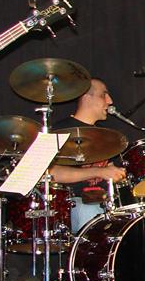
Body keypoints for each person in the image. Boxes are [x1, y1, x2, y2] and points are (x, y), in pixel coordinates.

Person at [49, 78, 128, 232]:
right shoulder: (60, 131)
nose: (110, 101)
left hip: (105, 203)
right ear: (86, 97)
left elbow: (110, 170)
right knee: (90, 211)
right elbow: (51, 173)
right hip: (72, 204)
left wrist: (118, 175)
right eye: (104, 95)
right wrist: (99, 172)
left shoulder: (106, 135)